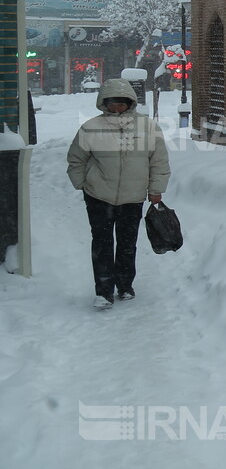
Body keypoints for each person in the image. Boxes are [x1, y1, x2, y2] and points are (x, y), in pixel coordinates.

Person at [66, 78, 171, 309]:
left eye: (121, 102)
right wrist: (83, 184)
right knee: (102, 244)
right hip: (98, 196)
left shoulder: (148, 127)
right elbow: (76, 159)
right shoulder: (91, 128)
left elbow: (159, 162)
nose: (116, 107)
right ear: (104, 103)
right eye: (112, 102)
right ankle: (103, 291)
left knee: (127, 243)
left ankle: (125, 286)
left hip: (132, 198)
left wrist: (156, 190)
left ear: (130, 103)